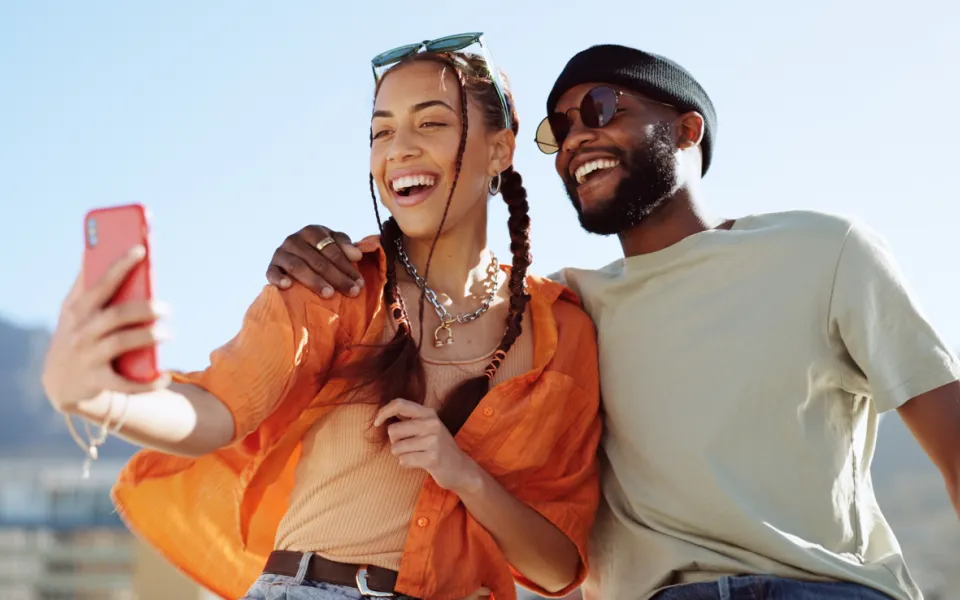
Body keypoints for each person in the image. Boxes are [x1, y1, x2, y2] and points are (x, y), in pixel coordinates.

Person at [265, 44, 960, 600]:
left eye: (599, 108)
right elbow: (437, 291)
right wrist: (324, 246)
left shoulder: (824, 249)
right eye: (558, 128)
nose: (575, 139)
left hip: (830, 589)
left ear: (687, 128)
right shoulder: (564, 311)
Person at [41, 35, 602, 600]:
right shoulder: (334, 285)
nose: (398, 149)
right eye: (381, 131)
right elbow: (216, 410)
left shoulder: (563, 334)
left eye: (430, 124)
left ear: (501, 150)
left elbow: (557, 568)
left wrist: (463, 475)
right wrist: (101, 397)